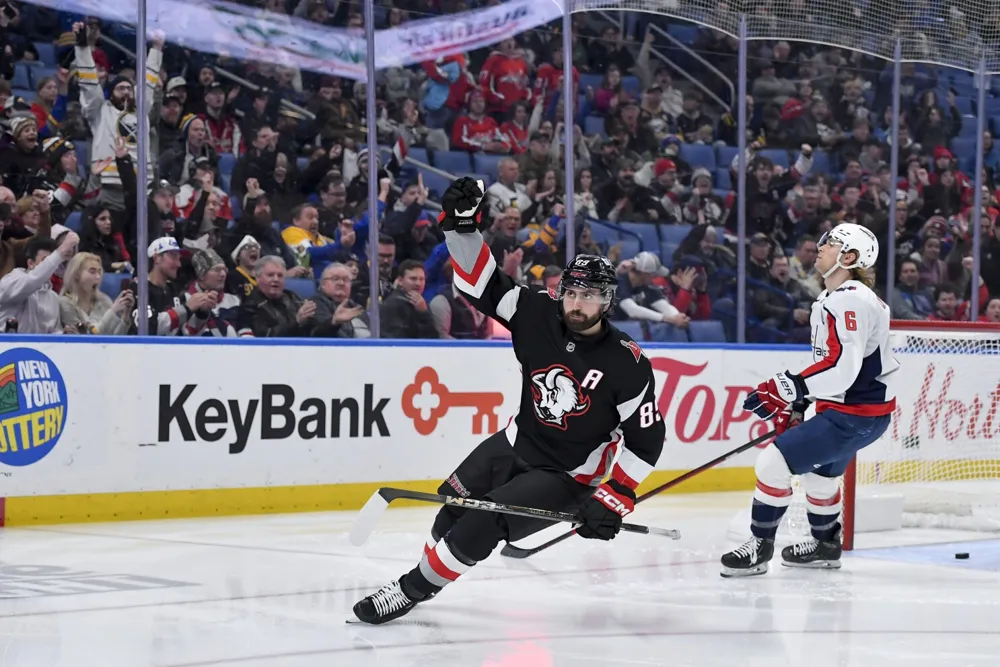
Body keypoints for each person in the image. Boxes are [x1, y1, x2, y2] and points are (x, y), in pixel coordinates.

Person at [352, 178, 665, 624]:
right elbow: (480, 285)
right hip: (516, 442)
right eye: (572, 292)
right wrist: (461, 229)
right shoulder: (537, 312)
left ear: (606, 301)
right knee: (450, 515)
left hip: (568, 473)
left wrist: (615, 494)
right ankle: (429, 576)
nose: (578, 304)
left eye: (590, 296)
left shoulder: (627, 362)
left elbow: (647, 439)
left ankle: (410, 589)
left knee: (484, 522)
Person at [720, 223, 899, 577]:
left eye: (830, 243)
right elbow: (836, 364)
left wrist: (789, 387)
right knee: (819, 479)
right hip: (856, 414)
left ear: (848, 257)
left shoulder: (849, 297)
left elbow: (842, 367)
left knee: (772, 464)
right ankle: (825, 546)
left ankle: (759, 547)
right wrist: (803, 401)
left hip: (852, 416)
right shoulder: (843, 296)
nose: (820, 246)